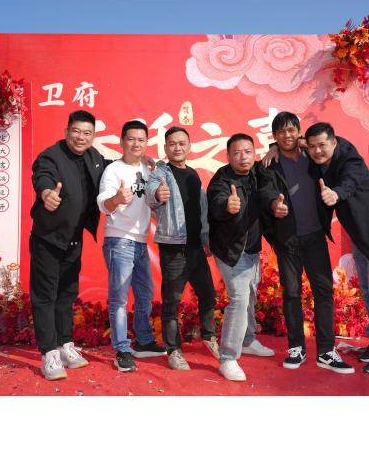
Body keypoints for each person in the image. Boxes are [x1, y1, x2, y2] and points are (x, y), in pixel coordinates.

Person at [304, 122, 369, 375]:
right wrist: (273, 148)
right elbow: (297, 144)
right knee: (368, 292)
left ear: (333, 142)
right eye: (312, 146)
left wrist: (335, 195)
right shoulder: (318, 152)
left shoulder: (350, 159)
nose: (317, 151)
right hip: (359, 234)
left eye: (322, 145)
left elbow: (349, 182)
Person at [262, 112, 354, 374]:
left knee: (323, 292)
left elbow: (337, 146)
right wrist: (273, 205)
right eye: (281, 132)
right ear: (274, 136)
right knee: (291, 293)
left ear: (299, 132)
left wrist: (304, 144)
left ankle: (326, 351)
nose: (287, 136)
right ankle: (296, 348)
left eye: (291, 130)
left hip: (315, 237)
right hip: (287, 240)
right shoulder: (269, 164)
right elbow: (265, 191)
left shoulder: (313, 156)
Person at [30, 110, 110, 381]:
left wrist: (137, 162)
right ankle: (48, 353)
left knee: (66, 293)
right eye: (76, 131)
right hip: (48, 238)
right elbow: (42, 176)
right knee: (45, 295)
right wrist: (46, 193)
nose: (81, 137)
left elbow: (109, 167)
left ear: (93, 136)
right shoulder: (51, 156)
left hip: (73, 238)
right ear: (66, 131)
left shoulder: (93, 156)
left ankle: (65, 345)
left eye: (87, 133)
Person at [146, 126, 219, 370]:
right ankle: (174, 350)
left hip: (196, 247)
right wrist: (158, 194)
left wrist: (206, 237)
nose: (177, 148)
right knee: (172, 301)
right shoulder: (160, 173)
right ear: (165, 148)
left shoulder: (193, 174)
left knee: (208, 295)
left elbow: (202, 208)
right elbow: (150, 194)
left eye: (182, 143)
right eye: (172, 144)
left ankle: (209, 336)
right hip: (174, 248)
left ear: (189, 146)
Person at [97, 120, 166, 372]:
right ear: (122, 141)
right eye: (131, 139)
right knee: (119, 299)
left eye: (141, 139)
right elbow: (103, 203)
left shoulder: (149, 169)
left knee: (145, 294)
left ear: (146, 143)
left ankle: (144, 341)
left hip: (140, 242)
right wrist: (117, 199)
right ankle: (122, 350)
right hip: (119, 240)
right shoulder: (113, 170)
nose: (136, 143)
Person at [207, 133, 275, 382]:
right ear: (228, 156)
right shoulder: (222, 179)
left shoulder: (258, 171)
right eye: (236, 153)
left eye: (247, 151)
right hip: (230, 250)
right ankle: (227, 357)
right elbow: (216, 203)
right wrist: (227, 206)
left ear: (254, 153)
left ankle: (247, 340)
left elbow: (289, 146)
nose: (243, 157)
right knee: (239, 299)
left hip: (252, 249)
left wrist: (275, 148)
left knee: (251, 296)